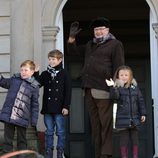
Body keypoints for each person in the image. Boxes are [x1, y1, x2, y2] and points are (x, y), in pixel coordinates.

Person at [67, 17, 125, 158]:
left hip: (104, 89)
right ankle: (98, 154)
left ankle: (106, 154)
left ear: (107, 30)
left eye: (101, 29)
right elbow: (74, 52)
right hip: (88, 89)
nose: (98, 32)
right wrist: (71, 38)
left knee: (106, 125)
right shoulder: (90, 45)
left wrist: (117, 86)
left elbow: (119, 65)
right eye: (96, 29)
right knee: (95, 125)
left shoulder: (115, 44)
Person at [35, 49, 71, 158]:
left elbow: (68, 91)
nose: (51, 61)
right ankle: (48, 152)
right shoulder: (46, 73)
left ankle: (60, 152)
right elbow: (37, 84)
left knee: (60, 131)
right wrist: (36, 72)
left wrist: (66, 106)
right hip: (48, 108)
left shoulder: (64, 73)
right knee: (49, 131)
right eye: (50, 59)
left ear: (60, 60)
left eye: (53, 59)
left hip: (60, 108)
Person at [0, 60, 40, 156]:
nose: (23, 72)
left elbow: (35, 105)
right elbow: (4, 82)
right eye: (21, 70)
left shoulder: (34, 86)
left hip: (22, 118)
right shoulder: (14, 80)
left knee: (21, 140)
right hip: (9, 115)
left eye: (26, 70)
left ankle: (22, 156)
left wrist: (34, 121)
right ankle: (7, 155)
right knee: (7, 140)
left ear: (32, 71)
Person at [106, 65, 146, 158]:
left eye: (126, 75)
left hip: (134, 120)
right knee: (124, 141)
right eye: (121, 75)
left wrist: (143, 113)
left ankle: (135, 156)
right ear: (118, 76)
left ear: (130, 76)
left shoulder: (135, 88)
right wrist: (113, 87)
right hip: (123, 120)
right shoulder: (117, 88)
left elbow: (141, 101)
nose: (124, 77)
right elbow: (114, 97)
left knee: (135, 140)